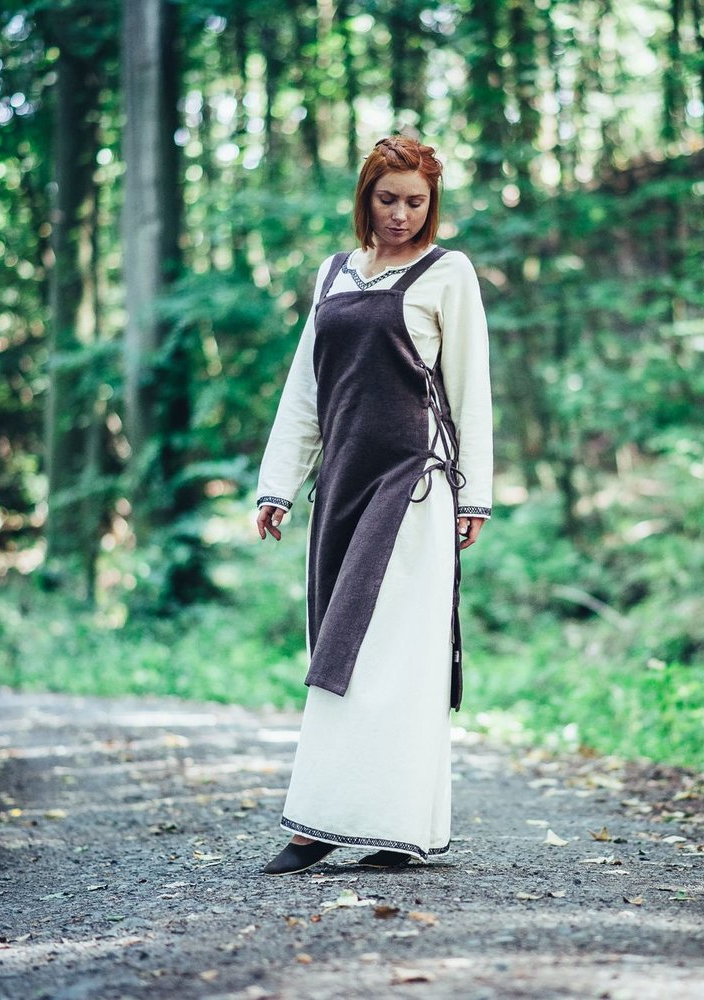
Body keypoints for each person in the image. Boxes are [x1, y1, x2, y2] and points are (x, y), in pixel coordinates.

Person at [255, 134, 493, 876]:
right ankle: (339, 817)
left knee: (392, 656)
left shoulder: (448, 272)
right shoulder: (333, 275)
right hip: (342, 486)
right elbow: (306, 390)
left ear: (431, 204)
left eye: (415, 202)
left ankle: (367, 828)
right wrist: (277, 484)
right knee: (340, 649)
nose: (400, 214)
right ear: (365, 198)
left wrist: (474, 494)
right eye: (387, 199)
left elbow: (471, 389)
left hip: (413, 486)